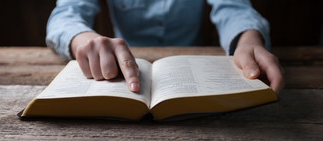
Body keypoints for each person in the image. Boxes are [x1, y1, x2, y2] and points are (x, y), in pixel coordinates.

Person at [46, 0, 285, 94]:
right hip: (120, 70)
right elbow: (65, 14)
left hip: (195, 72)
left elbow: (234, 8)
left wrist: (248, 41)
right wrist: (83, 38)